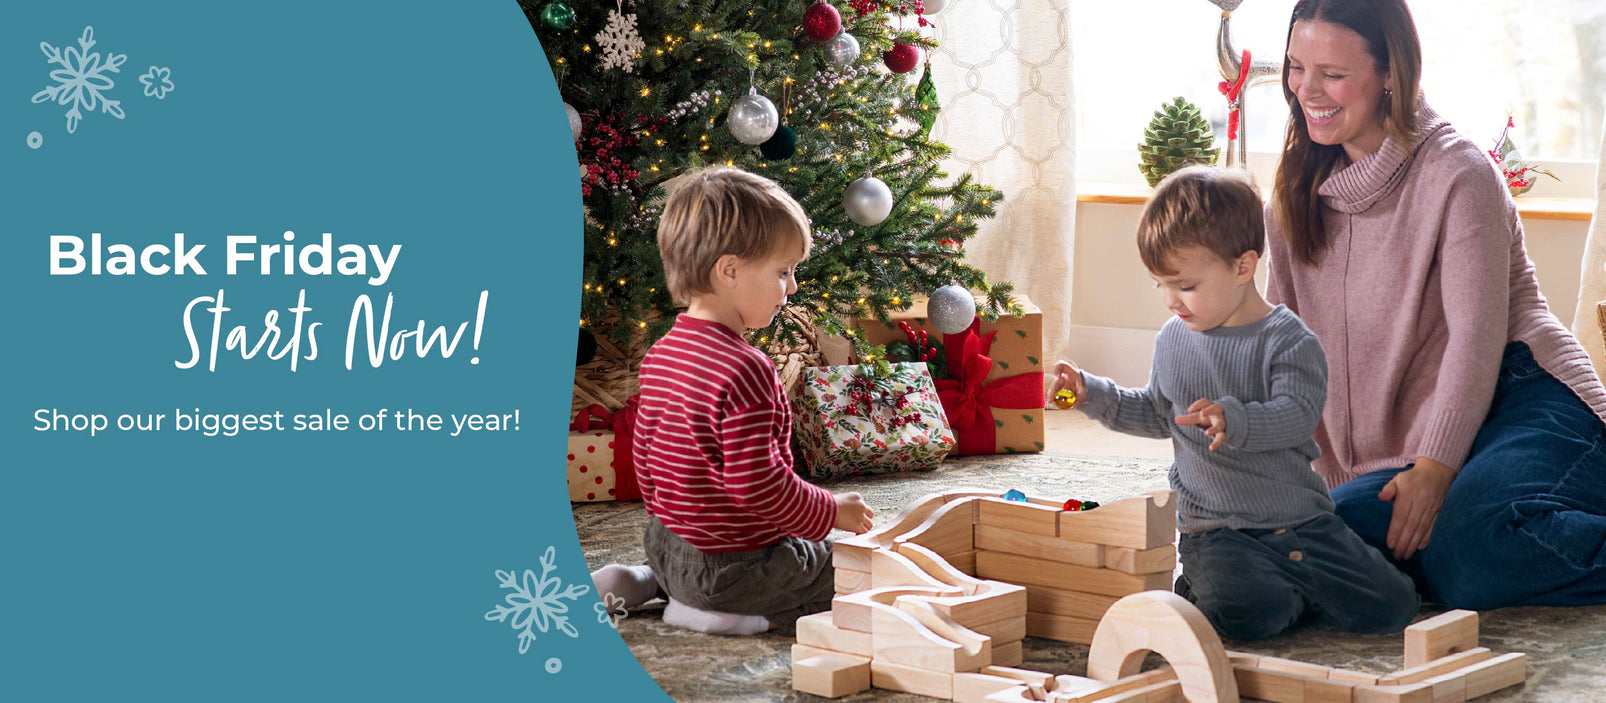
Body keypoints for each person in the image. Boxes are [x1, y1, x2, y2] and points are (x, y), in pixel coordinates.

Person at [1267, 0, 1606, 609]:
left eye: (1333, 74)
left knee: (1470, 554)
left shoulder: (1459, 172)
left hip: (1522, 394)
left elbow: (1476, 340)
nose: (1306, 90)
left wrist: (1436, 469)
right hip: (1419, 432)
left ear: (1391, 73)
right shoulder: (1293, 197)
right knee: (1310, 539)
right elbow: (1289, 356)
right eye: (1295, 66)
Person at [1051, 165, 1418, 641]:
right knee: (1249, 617)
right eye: (1160, 285)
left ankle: (1295, 588)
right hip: (1218, 529)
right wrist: (1091, 394)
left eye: (1185, 286)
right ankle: (1230, 587)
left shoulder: (1290, 341)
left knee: (1393, 608)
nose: (1170, 301)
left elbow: (1297, 415)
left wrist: (1237, 419)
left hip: (1301, 520)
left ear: (1242, 267)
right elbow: (1160, 414)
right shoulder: (1173, 341)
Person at [589, 168, 875, 635]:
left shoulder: (663, 352)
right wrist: (830, 510)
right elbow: (760, 487)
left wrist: (680, 527)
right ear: (730, 270)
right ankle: (722, 615)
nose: (794, 286)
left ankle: (645, 581)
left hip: (667, 545)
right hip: (734, 572)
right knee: (846, 572)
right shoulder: (748, 369)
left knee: (708, 558)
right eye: (784, 272)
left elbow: (645, 457)